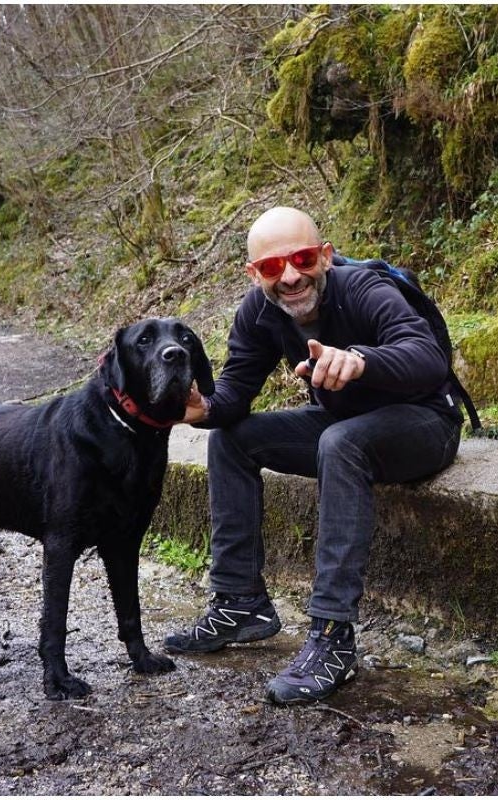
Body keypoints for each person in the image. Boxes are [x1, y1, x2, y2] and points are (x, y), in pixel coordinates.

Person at [165, 206, 463, 702]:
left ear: (324, 256)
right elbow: (235, 394)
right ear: (254, 273)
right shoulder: (259, 312)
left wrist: (361, 360)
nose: (290, 276)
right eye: (271, 267)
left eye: (302, 258)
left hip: (424, 423)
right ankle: (241, 603)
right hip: (347, 424)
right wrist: (204, 409)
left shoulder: (364, 289)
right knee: (232, 439)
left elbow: (427, 357)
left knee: (340, 442)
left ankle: (332, 637)